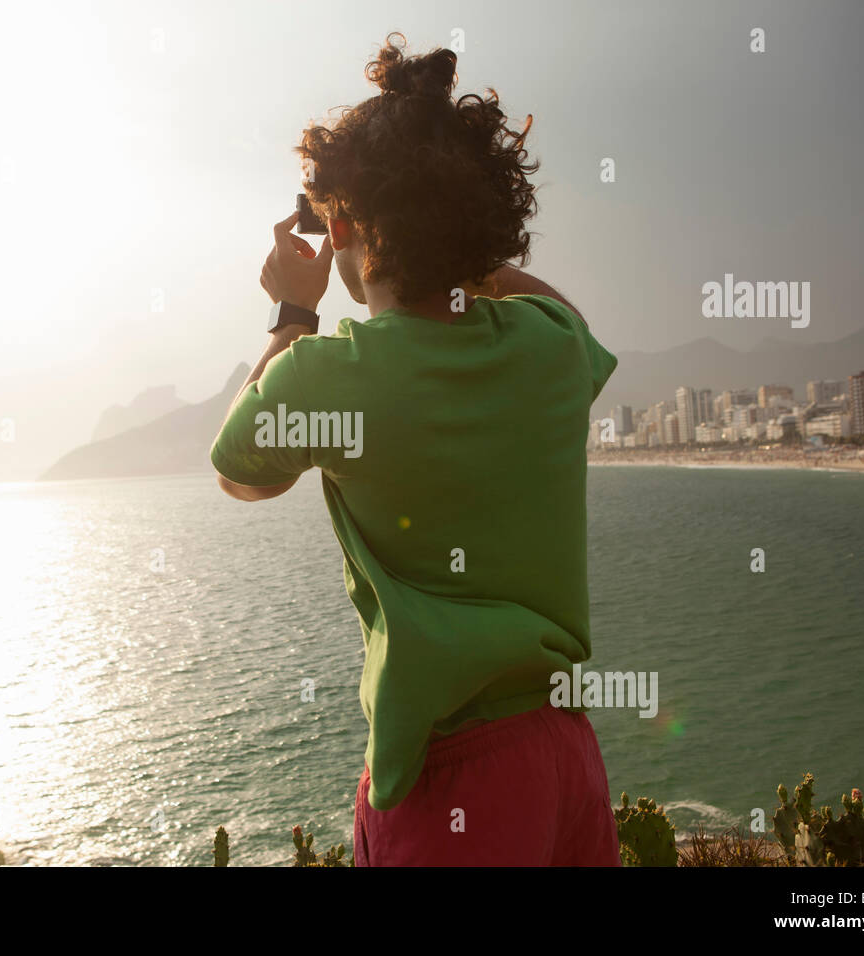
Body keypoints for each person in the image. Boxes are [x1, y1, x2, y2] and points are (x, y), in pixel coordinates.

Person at [210, 34, 620, 866]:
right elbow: (560, 313)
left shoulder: (329, 374)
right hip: (564, 754)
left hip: (451, 780)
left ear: (345, 223)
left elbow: (237, 475)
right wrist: (461, 242)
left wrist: (294, 312)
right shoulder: (550, 346)